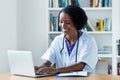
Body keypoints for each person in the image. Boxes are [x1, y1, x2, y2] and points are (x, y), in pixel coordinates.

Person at [35, 5, 98, 74]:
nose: (63, 26)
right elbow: (48, 61)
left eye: (68, 23)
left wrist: (56, 70)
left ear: (77, 23)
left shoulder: (88, 41)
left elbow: (81, 66)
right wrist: (40, 68)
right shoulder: (57, 40)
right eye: (61, 22)